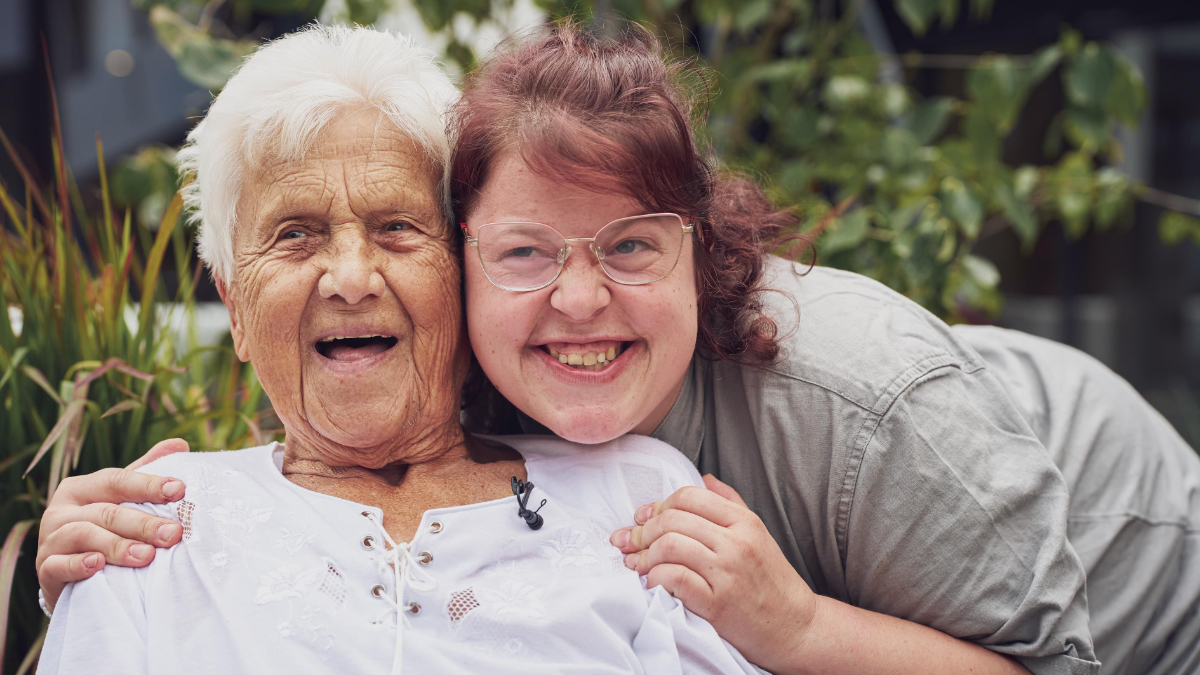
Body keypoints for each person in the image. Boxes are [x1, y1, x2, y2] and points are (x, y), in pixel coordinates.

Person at [37, 20, 1200, 675]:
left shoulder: (851, 403)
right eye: (530, 252)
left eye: (395, 229)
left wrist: (794, 628)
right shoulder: (204, 507)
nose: (577, 300)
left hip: (1136, 592)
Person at [36, 25, 771, 675]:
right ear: (234, 304)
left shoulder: (637, 500)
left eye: (396, 227)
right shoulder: (148, 528)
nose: (352, 278)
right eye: (296, 234)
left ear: (461, 272)